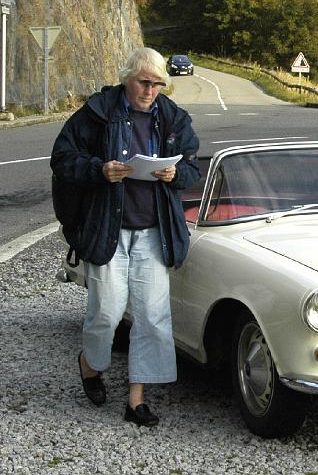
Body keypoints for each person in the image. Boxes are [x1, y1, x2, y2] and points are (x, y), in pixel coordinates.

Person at [50, 46, 200, 426]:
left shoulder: (171, 118)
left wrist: (174, 174)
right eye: (143, 82)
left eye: (157, 85)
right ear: (126, 78)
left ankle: (136, 400)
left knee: (152, 316)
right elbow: (62, 158)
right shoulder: (99, 113)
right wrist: (101, 169)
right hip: (109, 228)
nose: (150, 91)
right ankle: (90, 363)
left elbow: (192, 167)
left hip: (154, 231)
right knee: (107, 311)